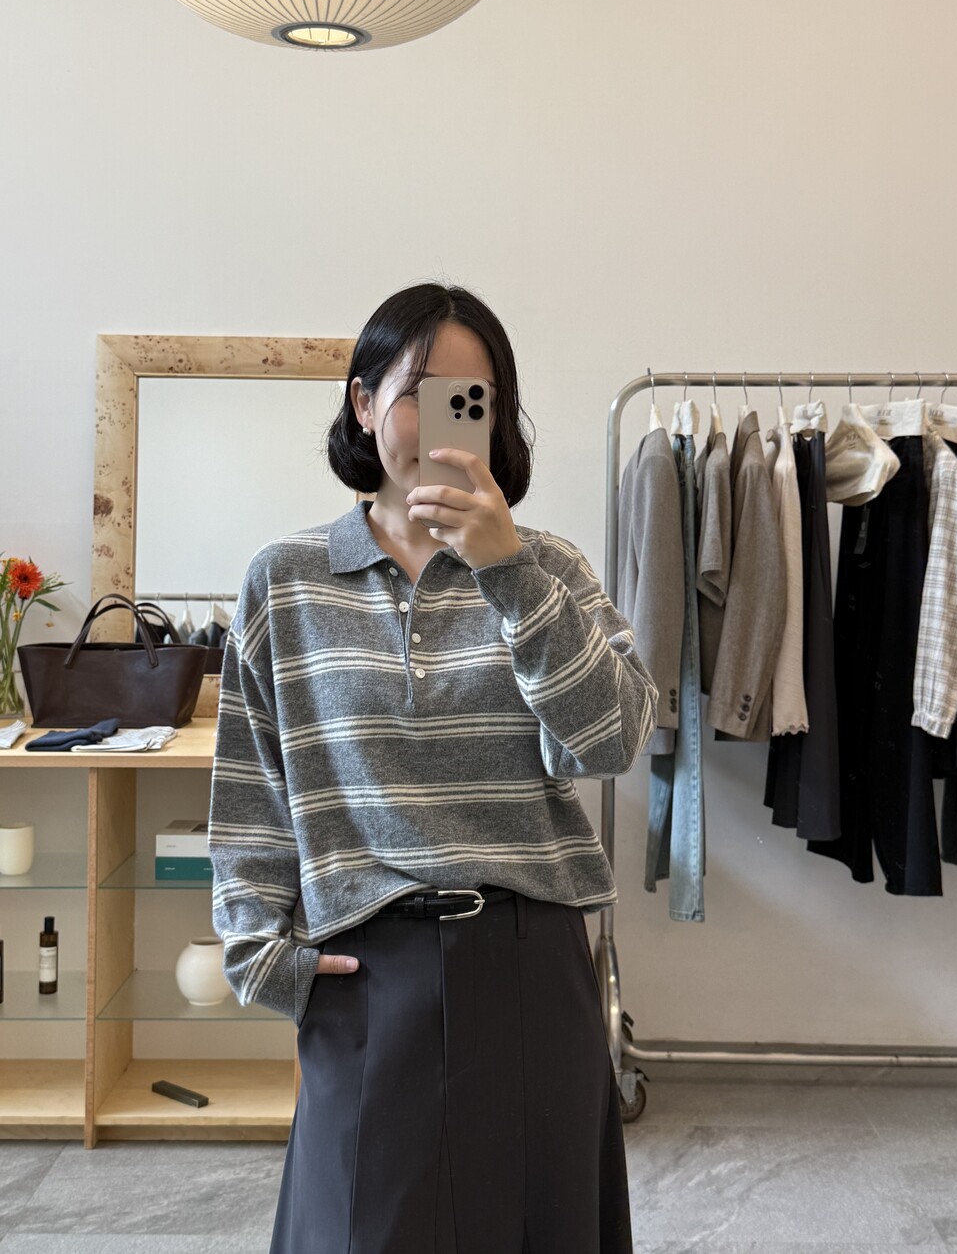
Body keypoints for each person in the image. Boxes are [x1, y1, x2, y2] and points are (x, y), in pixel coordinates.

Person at [208, 282, 657, 1254]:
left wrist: (509, 574)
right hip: (366, 968)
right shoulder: (284, 579)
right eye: (417, 392)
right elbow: (252, 787)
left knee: (541, 1231)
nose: (443, 417)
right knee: (359, 1230)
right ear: (364, 402)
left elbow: (612, 740)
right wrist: (261, 956)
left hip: (530, 957)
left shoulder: (550, 568)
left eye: (471, 395)